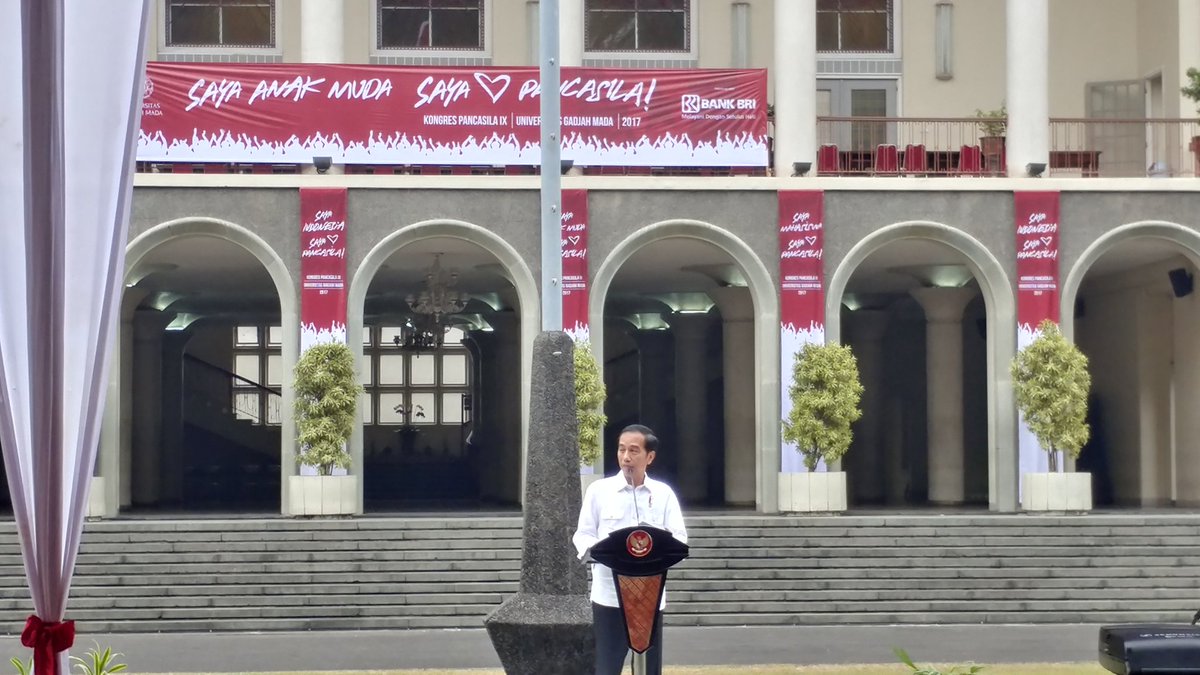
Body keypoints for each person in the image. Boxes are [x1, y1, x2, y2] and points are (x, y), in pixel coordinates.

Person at [572, 424, 688, 675]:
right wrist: (598, 551)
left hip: (650, 597)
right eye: (621, 449)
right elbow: (583, 534)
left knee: (649, 669)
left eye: (634, 451)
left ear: (650, 457)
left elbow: (679, 538)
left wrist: (657, 549)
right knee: (607, 668)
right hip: (609, 598)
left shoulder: (663, 494)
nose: (626, 457)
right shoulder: (599, 491)